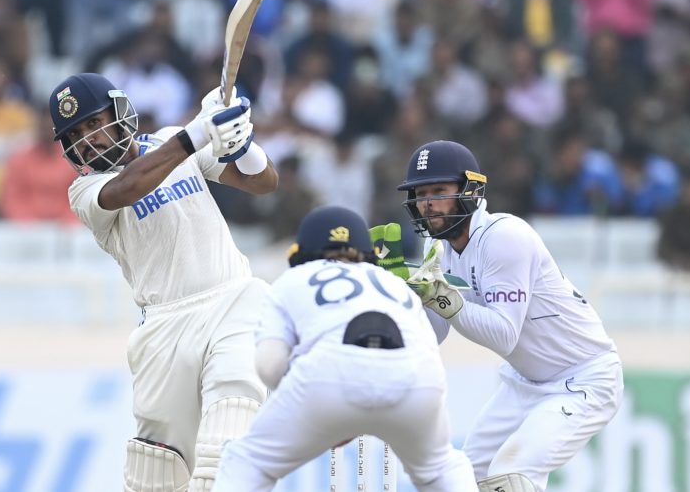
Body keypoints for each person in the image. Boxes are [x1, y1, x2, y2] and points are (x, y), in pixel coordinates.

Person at [48, 72, 278, 491]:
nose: (89, 138)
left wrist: (243, 147)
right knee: (157, 476)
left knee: (224, 450)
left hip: (233, 301)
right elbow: (129, 186)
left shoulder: (172, 141)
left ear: (120, 114)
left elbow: (264, 184)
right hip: (164, 329)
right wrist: (198, 132)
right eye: (76, 134)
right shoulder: (85, 191)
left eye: (95, 122)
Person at [385, 140, 624, 492]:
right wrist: (402, 297)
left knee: (512, 474)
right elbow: (436, 331)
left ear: (470, 191)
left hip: (583, 379)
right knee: (469, 479)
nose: (428, 203)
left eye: (439, 190)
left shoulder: (505, 237)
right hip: (523, 383)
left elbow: (503, 335)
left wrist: (441, 296)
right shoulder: (436, 246)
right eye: (421, 194)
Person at [212, 206, 476, 492]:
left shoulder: (293, 280)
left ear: (301, 253)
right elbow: (429, 355)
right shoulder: (392, 283)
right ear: (367, 253)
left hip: (328, 376)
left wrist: (317, 410)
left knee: (246, 461)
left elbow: (269, 365)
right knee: (442, 467)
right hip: (417, 380)